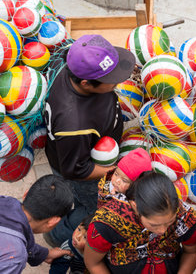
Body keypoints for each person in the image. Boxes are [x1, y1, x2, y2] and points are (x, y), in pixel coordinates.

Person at [44, 34, 136, 246]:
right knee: (93, 208)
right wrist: (115, 171)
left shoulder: (68, 62)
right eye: (111, 79)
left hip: (74, 150)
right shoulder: (74, 123)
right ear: (86, 83)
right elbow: (75, 170)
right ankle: (56, 235)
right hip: (81, 171)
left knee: (76, 199)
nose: (118, 81)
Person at [85, 171, 196, 274]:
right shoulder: (108, 223)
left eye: (170, 222)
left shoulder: (185, 217)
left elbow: (192, 251)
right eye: (154, 225)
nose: (163, 231)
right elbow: (93, 263)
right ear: (135, 206)